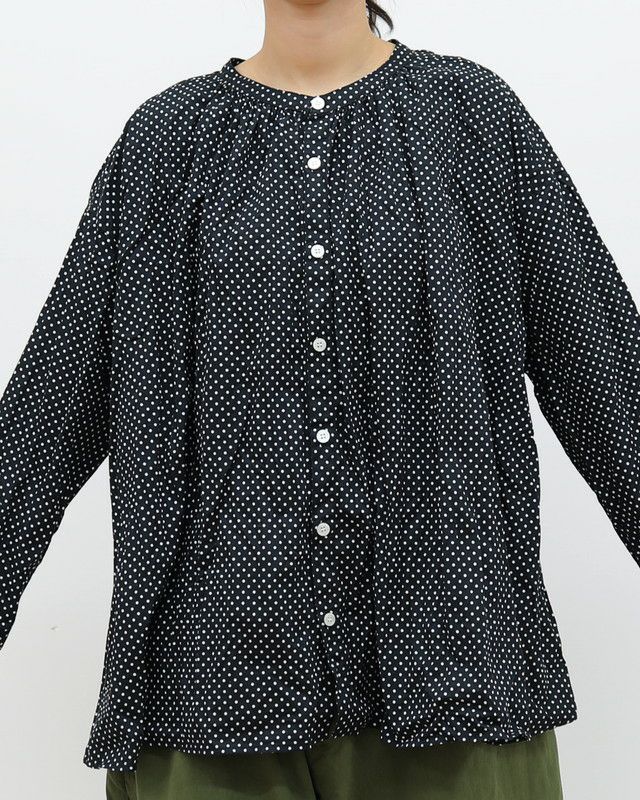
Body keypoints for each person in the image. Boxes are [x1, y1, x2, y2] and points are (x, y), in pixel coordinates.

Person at [2, 1, 639, 798]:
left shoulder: (474, 117)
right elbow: (54, 397)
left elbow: (605, 369)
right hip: (211, 684)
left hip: (456, 666)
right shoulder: (166, 142)